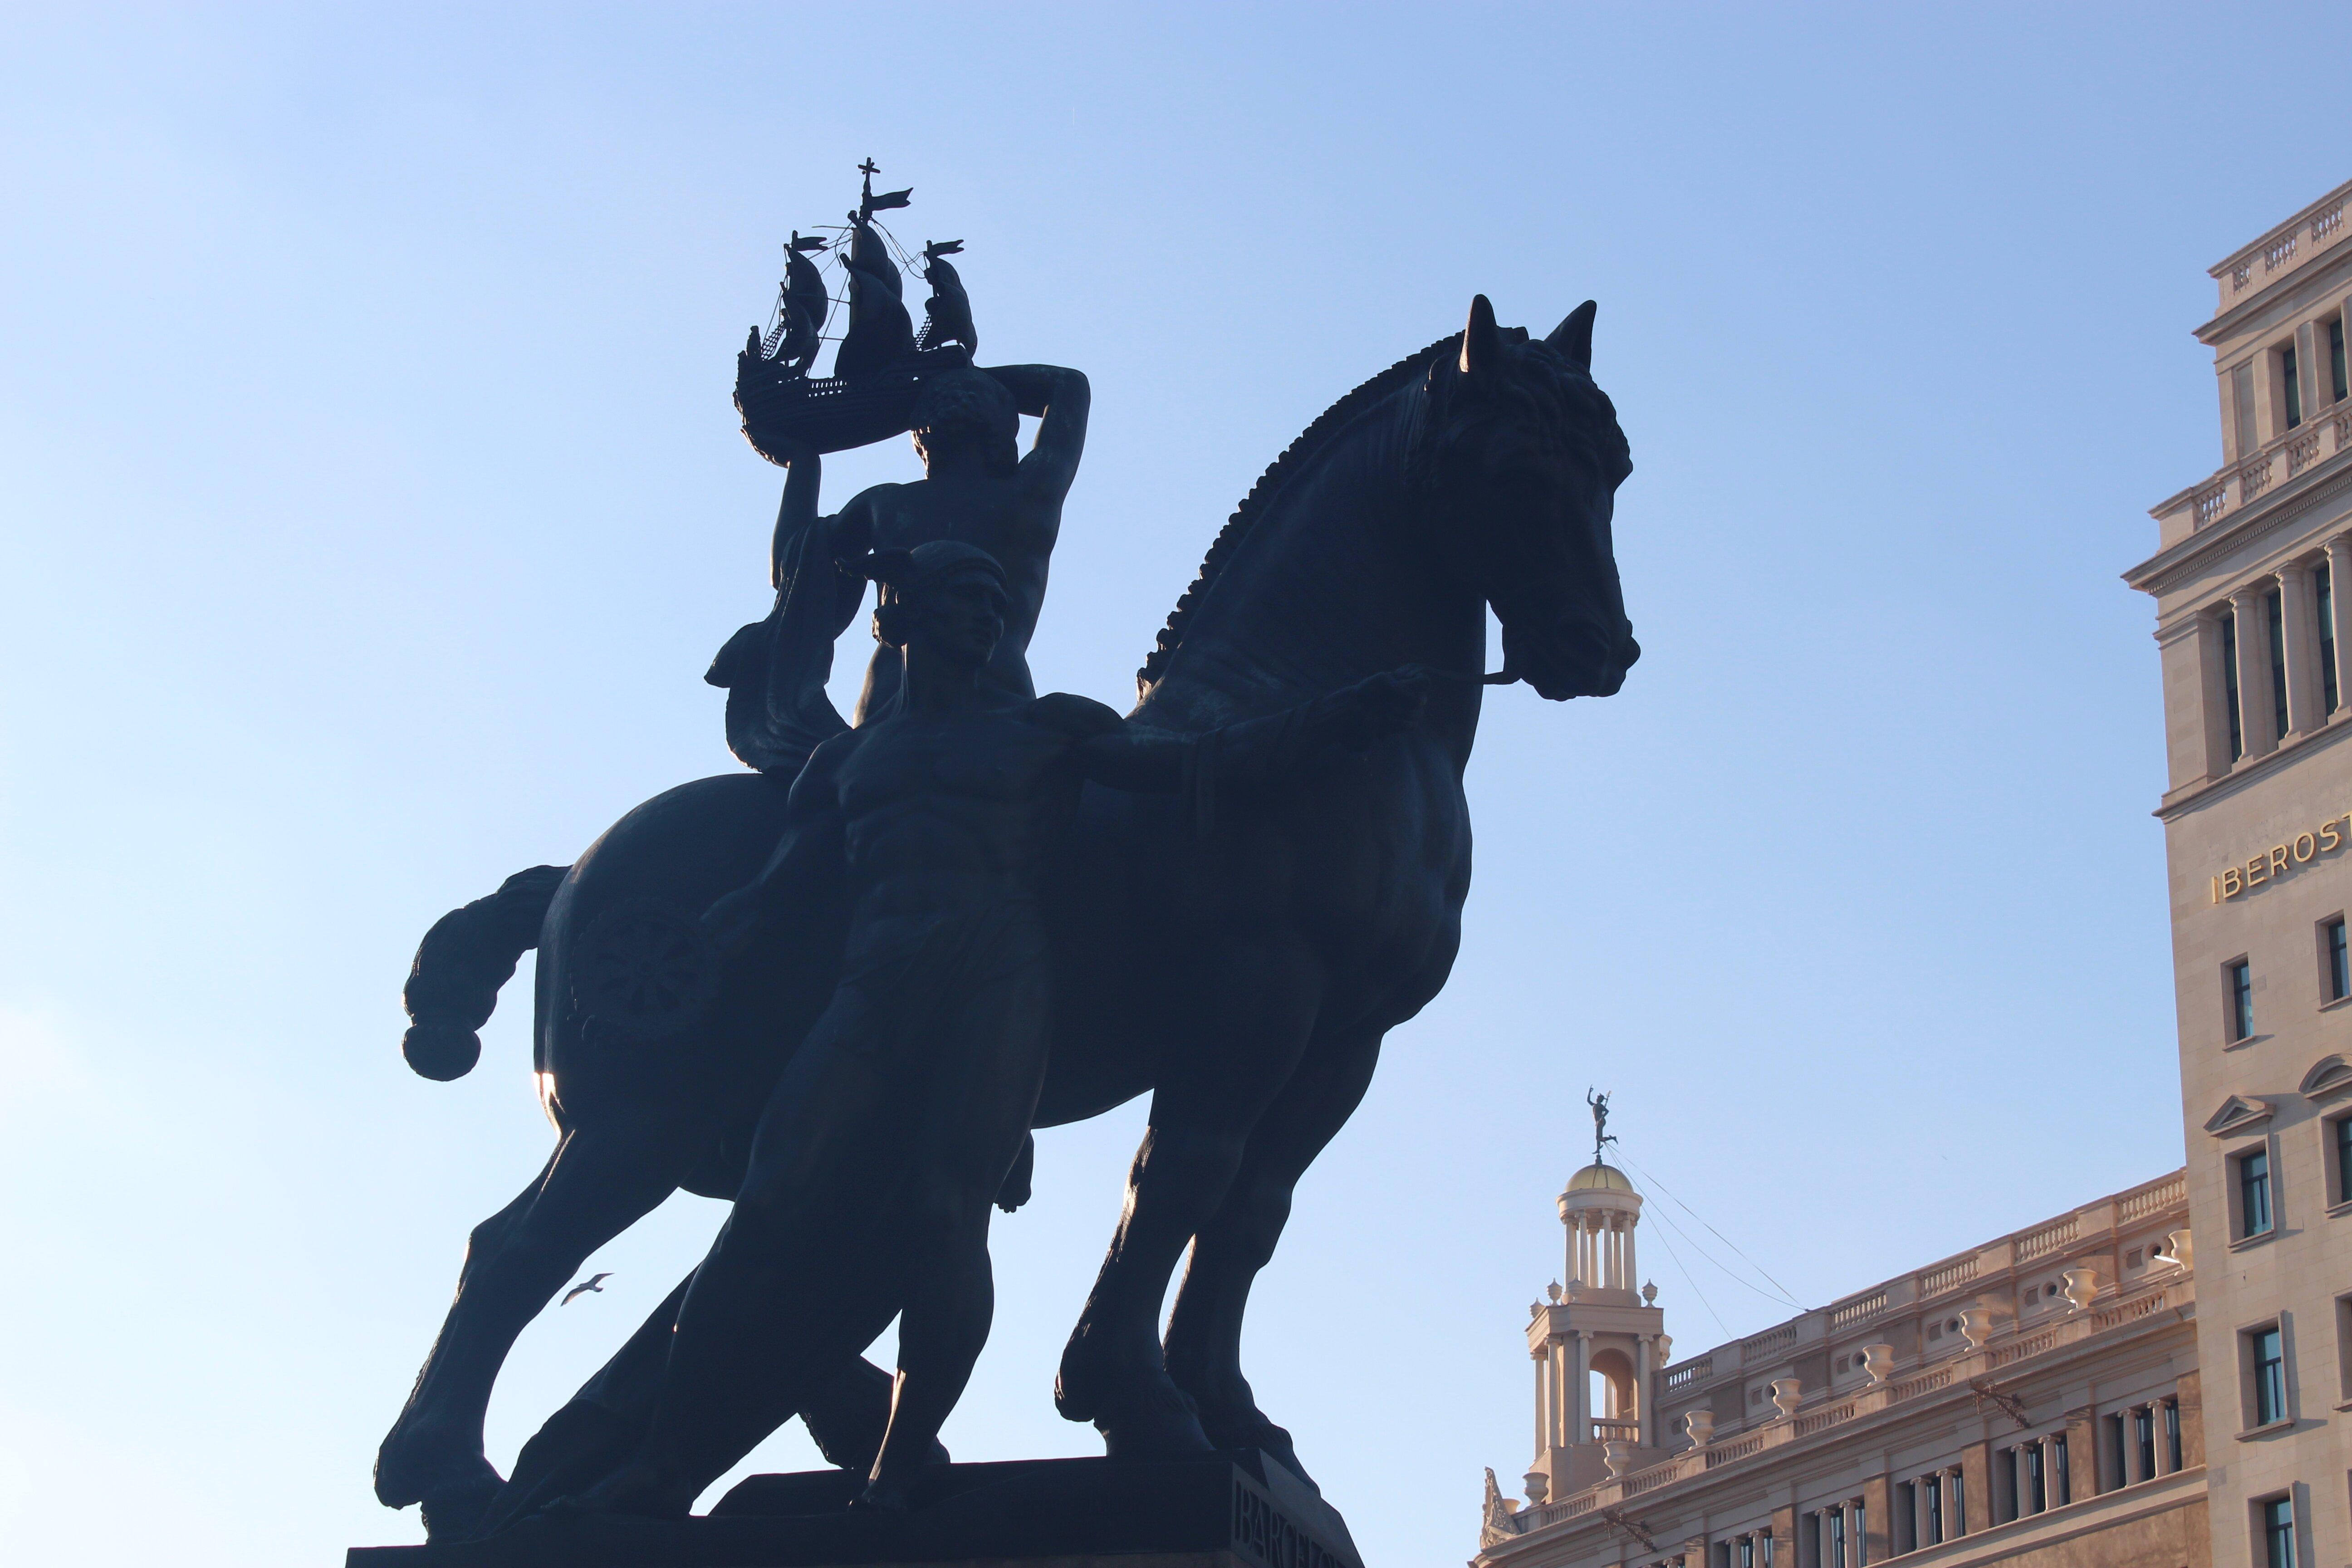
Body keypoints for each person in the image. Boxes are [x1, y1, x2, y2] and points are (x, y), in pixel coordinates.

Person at [573, 541, 1428, 1517]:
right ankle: (664, 1460)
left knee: (946, 1220)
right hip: (875, 993)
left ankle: (900, 1460)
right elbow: (770, 901)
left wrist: (1334, 718)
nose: (989, 614)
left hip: (993, 990)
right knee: (765, 1213)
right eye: (965, 597)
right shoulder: (847, 762)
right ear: (901, 618)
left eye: (995, 598)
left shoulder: (1050, 732)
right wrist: (650, 998)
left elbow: (1196, 764)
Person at [707, 363, 1090, 773]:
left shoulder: (885, 504)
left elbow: (791, 568)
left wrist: (804, 464)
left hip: (890, 693)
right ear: (1004, 428)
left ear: (921, 434)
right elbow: (1068, 385)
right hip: (993, 683)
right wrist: (959, 374)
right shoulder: (1031, 493)